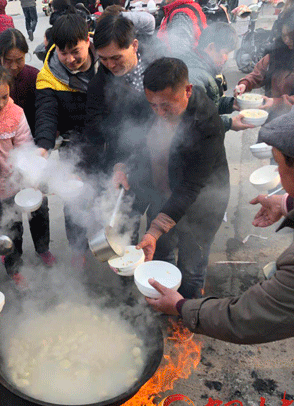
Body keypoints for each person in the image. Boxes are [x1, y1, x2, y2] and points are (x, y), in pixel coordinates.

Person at [145, 99, 294, 406]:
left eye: (279, 167)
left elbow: (245, 318)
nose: (277, 176)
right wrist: (291, 204)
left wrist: (181, 306)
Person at [127, 57, 229, 299]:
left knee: (191, 267)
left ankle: (187, 316)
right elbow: (138, 141)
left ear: (188, 90)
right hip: (164, 197)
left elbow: (191, 187)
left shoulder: (206, 123)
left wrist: (154, 228)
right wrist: (125, 165)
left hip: (202, 204)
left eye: (166, 106)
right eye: (153, 105)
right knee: (160, 256)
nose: (160, 112)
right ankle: (165, 305)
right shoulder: (154, 103)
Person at [0, 65, 54, 286]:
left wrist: (32, 177)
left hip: (18, 180)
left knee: (39, 214)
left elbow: (25, 147)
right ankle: (14, 265)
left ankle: (43, 248)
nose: (0, 104)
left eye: (5, 97)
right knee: (10, 227)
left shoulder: (16, 114)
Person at [34, 13, 98, 264]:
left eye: (75, 51)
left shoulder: (104, 61)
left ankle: (110, 244)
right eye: (63, 52)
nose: (70, 59)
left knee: (107, 196)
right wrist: (42, 148)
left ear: (87, 40)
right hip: (74, 146)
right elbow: (46, 116)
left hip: (106, 141)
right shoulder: (48, 75)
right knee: (74, 199)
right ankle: (78, 250)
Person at [84, 10, 153, 176]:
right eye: (104, 59)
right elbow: (94, 132)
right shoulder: (98, 85)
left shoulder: (157, 65)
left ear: (134, 45)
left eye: (116, 57)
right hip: (123, 162)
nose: (111, 65)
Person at [235, 6, 294, 120]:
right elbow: (257, 74)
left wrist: (276, 103)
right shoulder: (276, 53)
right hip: (273, 118)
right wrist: (244, 84)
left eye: (292, 37)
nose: (287, 40)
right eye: (284, 36)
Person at [183, 22, 253, 132]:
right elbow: (197, 118)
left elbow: (209, 104)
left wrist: (232, 104)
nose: (226, 59)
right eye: (225, 53)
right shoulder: (194, 77)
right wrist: (229, 123)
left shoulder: (203, 66)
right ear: (211, 47)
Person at [0, 28, 38, 135]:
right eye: (8, 61)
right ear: (0, 56)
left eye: (19, 60)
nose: (14, 66)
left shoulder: (34, 77)